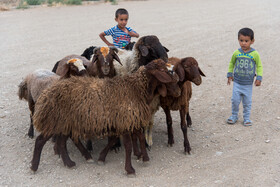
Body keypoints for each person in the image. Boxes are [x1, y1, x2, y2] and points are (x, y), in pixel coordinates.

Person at [226, 28, 263, 126]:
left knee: (247, 102)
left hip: (248, 84)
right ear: (238, 40)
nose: (243, 43)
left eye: (246, 41)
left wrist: (259, 78)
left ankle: (246, 118)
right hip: (237, 82)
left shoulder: (254, 54)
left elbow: (259, 66)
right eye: (241, 40)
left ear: (252, 41)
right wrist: (229, 75)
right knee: (235, 100)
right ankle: (234, 116)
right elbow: (231, 63)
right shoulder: (236, 53)